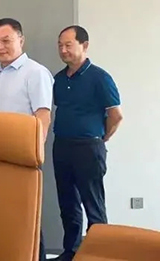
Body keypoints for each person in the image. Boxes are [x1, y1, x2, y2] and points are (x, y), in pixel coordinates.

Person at [0, 18, 52, 261]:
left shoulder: (35, 72)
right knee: (2, 219)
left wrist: (34, 153)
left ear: (21, 40)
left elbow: (43, 115)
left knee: (26, 221)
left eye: (6, 41)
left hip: (22, 158)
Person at [52, 25, 123, 261]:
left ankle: (99, 254)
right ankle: (71, 251)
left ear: (84, 45)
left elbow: (116, 115)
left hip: (88, 147)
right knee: (67, 203)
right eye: (60, 45)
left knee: (93, 204)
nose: (63, 50)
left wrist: (102, 138)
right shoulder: (58, 78)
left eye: (68, 45)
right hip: (62, 145)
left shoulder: (100, 77)